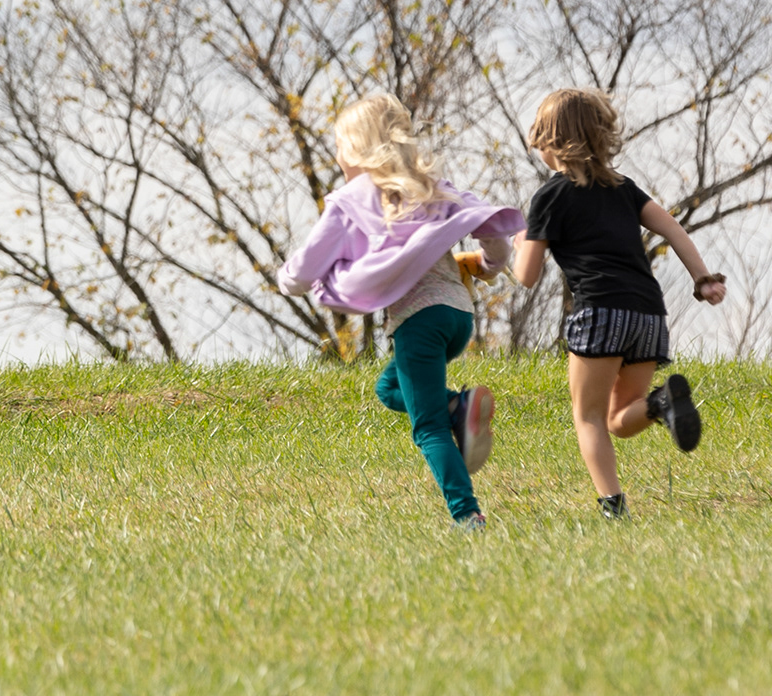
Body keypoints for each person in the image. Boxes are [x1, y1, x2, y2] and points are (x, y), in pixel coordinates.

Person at [280, 94, 524, 530]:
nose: (337, 157)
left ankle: (467, 514)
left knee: (428, 427)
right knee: (390, 389)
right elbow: (493, 233)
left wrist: (289, 281)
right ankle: (458, 406)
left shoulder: (350, 200)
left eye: (339, 146)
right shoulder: (429, 185)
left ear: (356, 149)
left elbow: (305, 267)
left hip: (418, 323)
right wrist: (489, 266)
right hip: (458, 317)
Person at [512, 88, 728, 519]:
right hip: (648, 314)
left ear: (548, 140)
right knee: (618, 419)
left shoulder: (549, 196)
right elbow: (674, 230)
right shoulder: (625, 188)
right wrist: (702, 280)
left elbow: (527, 276)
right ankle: (661, 402)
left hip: (598, 313)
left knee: (587, 416)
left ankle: (613, 508)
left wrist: (519, 243)